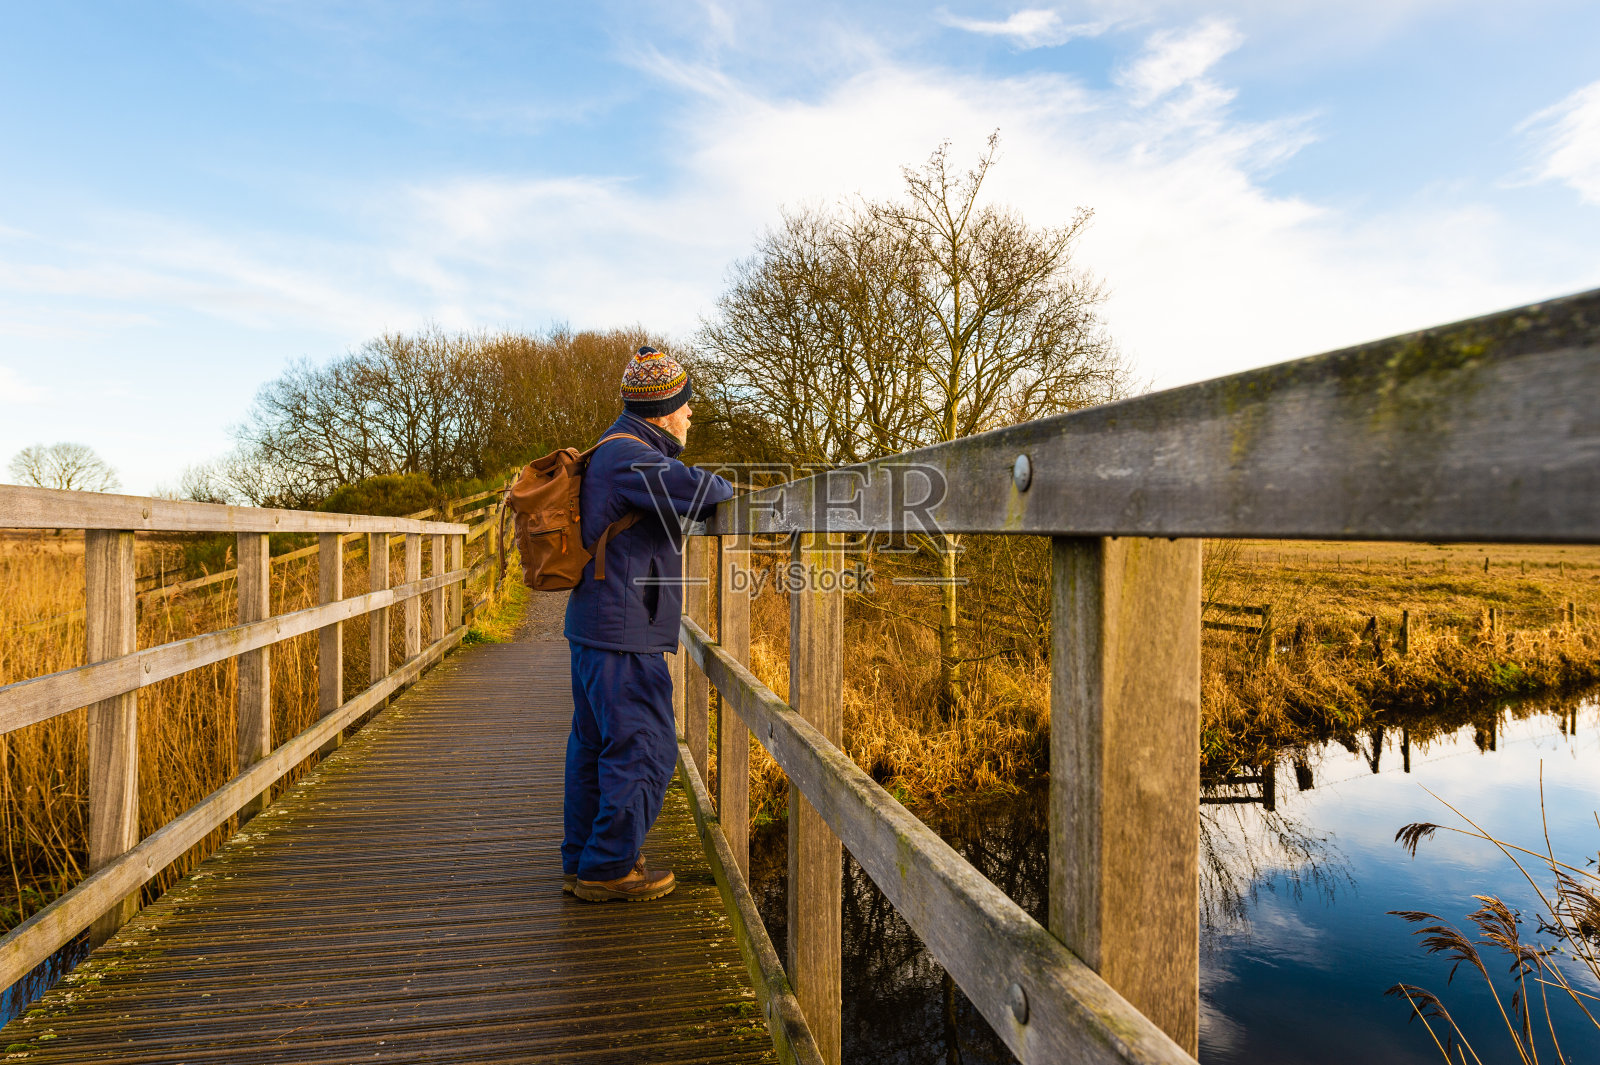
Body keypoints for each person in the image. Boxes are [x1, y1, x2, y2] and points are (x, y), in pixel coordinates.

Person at [562, 347, 734, 902]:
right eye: (685, 407)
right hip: (621, 633)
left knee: (596, 746)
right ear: (663, 410)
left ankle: (585, 860)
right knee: (646, 747)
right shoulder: (630, 458)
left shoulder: (615, 451)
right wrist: (723, 487)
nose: (690, 417)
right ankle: (609, 869)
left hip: (601, 626)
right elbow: (706, 493)